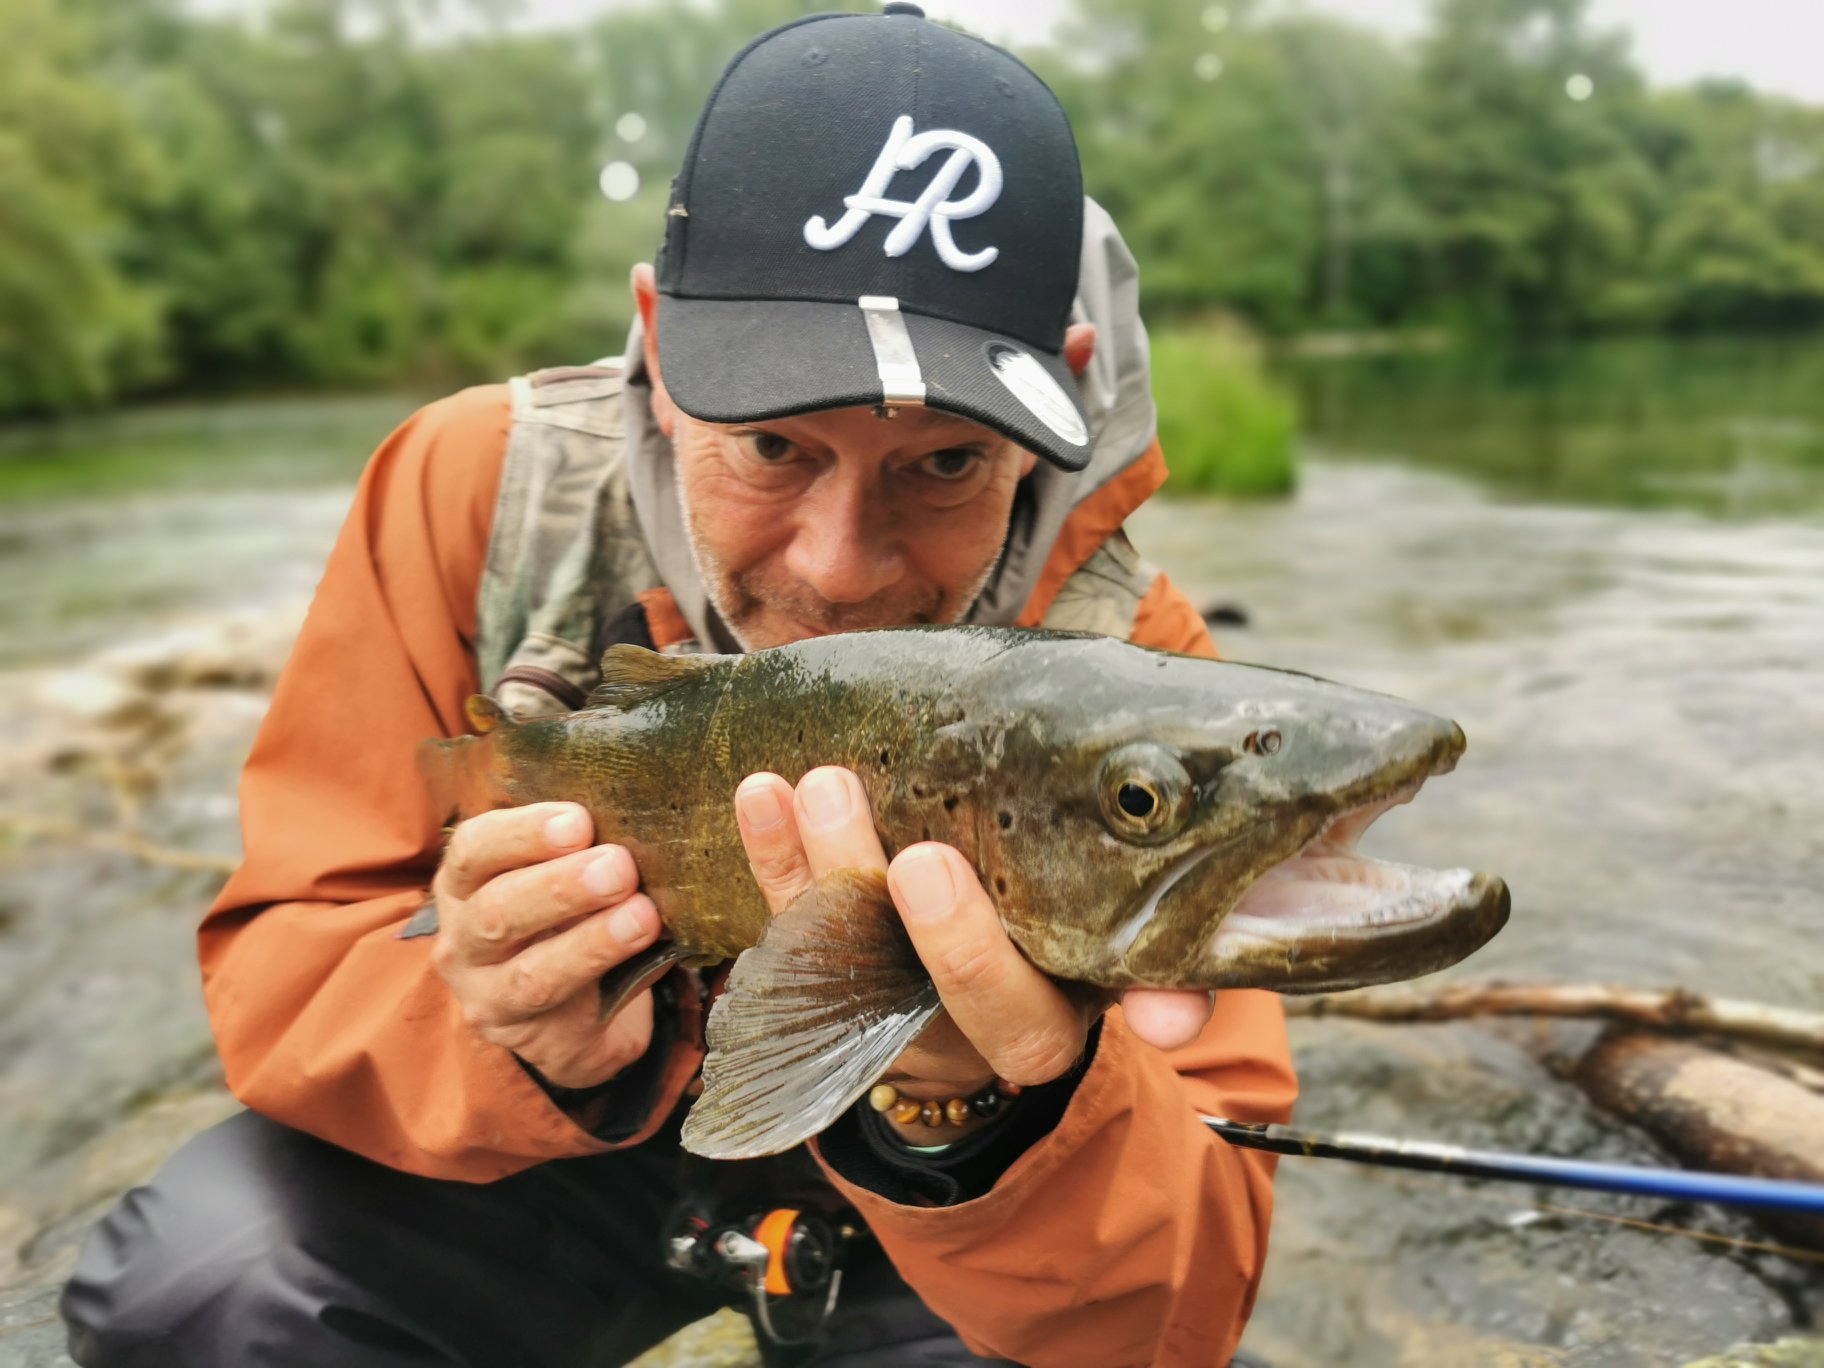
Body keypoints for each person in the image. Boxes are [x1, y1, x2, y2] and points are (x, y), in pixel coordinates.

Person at [60, 7, 1296, 1365]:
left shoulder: (1142, 683)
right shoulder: (471, 490)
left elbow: (1183, 1297)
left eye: (943, 464)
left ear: (1055, 402)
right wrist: (496, 1028)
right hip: (576, 1160)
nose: (837, 570)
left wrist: (994, 1113)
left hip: (918, 1215)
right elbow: (293, 962)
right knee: (211, 1284)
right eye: (770, 446)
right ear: (660, 349)